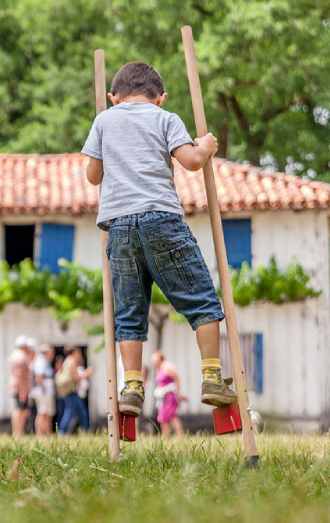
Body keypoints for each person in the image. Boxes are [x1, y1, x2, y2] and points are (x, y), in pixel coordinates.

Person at [82, 61, 237, 419]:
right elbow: (193, 161)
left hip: (118, 227)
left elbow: (93, 176)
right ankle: (212, 377)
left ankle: (132, 386)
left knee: (129, 312)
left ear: (113, 96)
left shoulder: (104, 119)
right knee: (202, 302)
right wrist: (207, 145)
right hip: (161, 220)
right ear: (161, 98)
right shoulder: (165, 119)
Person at [144, 350, 187, 437]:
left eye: (153, 359)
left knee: (171, 415)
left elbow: (176, 379)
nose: (152, 361)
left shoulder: (167, 366)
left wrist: (179, 393)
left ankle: (180, 434)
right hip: (162, 397)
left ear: (159, 358)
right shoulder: (158, 369)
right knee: (163, 417)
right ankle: (165, 435)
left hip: (170, 395)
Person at [57, 346, 93, 434]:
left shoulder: (66, 361)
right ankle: (62, 432)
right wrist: (86, 374)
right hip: (72, 391)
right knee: (71, 413)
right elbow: (76, 378)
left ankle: (84, 431)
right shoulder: (72, 361)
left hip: (70, 391)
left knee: (79, 412)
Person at [8, 335, 34, 437]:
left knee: (20, 409)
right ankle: (18, 432)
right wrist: (23, 390)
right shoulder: (20, 356)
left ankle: (17, 432)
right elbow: (19, 374)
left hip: (17, 387)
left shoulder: (15, 355)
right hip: (20, 388)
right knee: (20, 410)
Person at [32, 343, 56, 436]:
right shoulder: (41, 362)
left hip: (46, 391)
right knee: (42, 413)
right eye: (51, 352)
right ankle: (40, 434)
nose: (52, 355)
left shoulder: (46, 362)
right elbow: (39, 377)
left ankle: (47, 433)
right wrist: (43, 389)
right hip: (43, 392)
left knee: (48, 413)